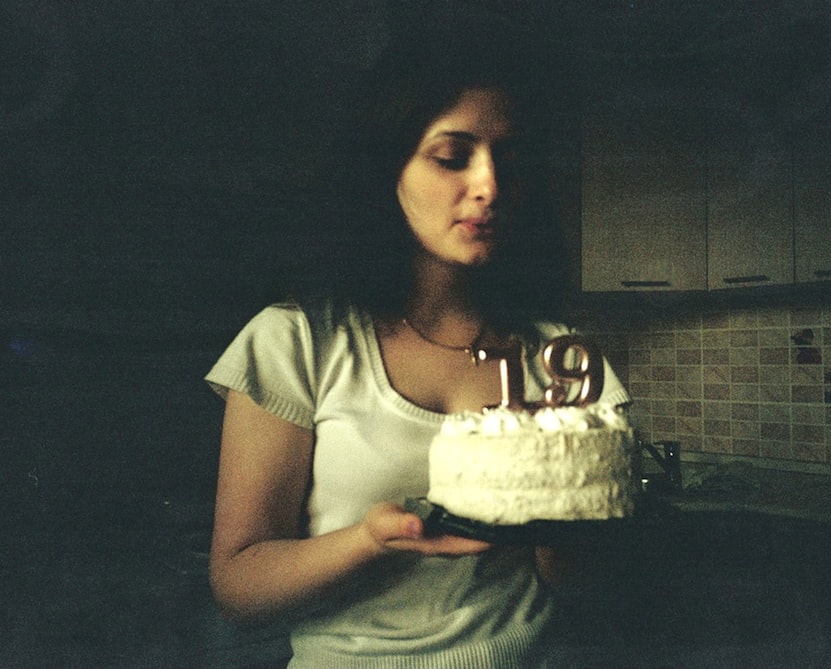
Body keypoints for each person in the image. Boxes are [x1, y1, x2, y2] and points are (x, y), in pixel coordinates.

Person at [204, 16, 630, 669]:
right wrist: (373, 538)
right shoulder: (297, 343)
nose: (489, 186)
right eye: (452, 156)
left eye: (509, 162)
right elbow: (237, 585)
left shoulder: (559, 357)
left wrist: (555, 531)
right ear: (387, 167)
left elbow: (587, 584)